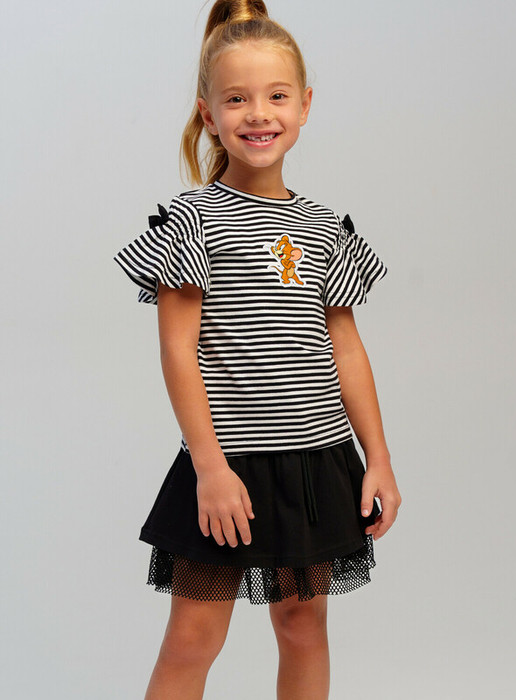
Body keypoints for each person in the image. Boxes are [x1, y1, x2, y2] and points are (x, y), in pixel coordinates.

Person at [114, 1, 402, 698]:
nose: (258, 114)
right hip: (228, 465)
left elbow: (345, 348)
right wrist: (209, 467)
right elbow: (178, 351)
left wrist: (379, 459)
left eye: (276, 96)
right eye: (236, 99)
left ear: (304, 106)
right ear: (208, 114)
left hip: (316, 462)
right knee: (192, 639)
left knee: (303, 626)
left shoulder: (325, 226)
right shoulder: (192, 220)